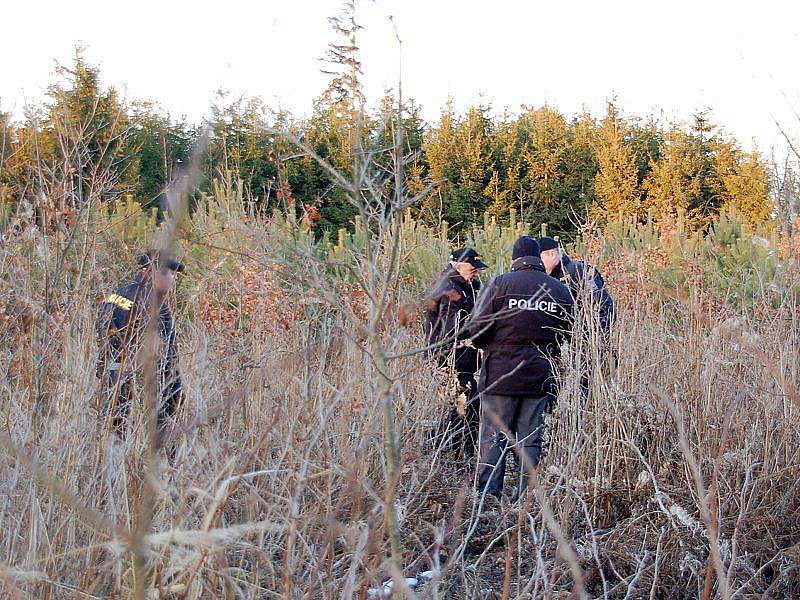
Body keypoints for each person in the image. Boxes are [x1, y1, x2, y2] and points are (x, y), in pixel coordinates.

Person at [470, 236, 573, 500]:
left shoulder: (499, 284)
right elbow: (568, 332)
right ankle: (526, 498)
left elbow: (477, 330)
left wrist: (493, 345)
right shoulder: (559, 290)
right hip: (540, 376)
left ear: (515, 259)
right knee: (530, 440)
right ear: (538, 259)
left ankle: (488, 497)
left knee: (494, 438)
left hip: (500, 377)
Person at [96, 250, 184, 442]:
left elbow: (101, 333)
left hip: (110, 375)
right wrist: (175, 394)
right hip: (138, 383)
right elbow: (168, 359)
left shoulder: (116, 294)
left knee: (113, 436)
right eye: (172, 273)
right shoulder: (156, 306)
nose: (174, 280)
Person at [425, 247, 488, 456]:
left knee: (465, 407)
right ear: (458, 266)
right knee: (465, 407)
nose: (475, 273)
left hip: (461, 358)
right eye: (472, 269)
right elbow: (453, 328)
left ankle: (455, 451)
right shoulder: (449, 289)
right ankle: (450, 451)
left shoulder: (462, 287)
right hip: (451, 358)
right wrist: (482, 326)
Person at [538, 236, 614, 335]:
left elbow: (603, 306)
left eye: (540, 258)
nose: (538, 263)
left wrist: (591, 338)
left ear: (552, 254)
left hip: (584, 338)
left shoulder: (579, 271)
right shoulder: (544, 278)